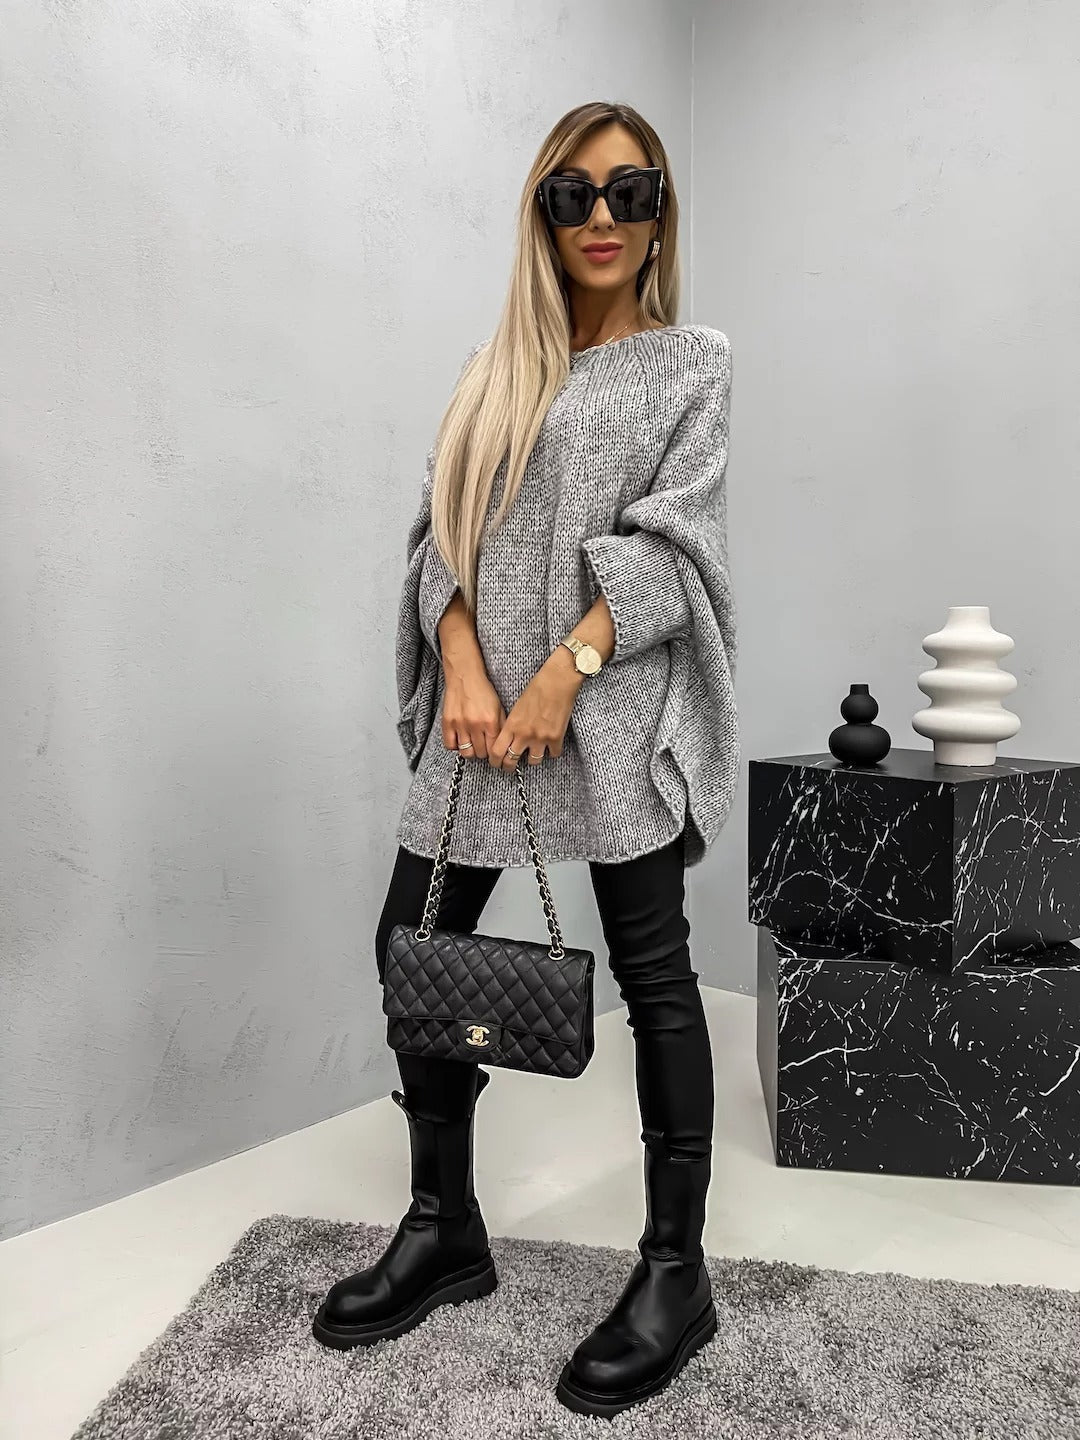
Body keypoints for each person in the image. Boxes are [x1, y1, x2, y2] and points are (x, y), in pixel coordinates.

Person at [312, 98, 738, 1420]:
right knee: (412, 946)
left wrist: (567, 671)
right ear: (541, 215)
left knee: (656, 978)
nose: (603, 217)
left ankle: (674, 1271)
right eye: (574, 194)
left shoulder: (692, 364)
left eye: (630, 191)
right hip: (481, 719)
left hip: (606, 711)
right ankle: (445, 1225)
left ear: (660, 213)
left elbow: (675, 548)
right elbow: (437, 534)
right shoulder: (493, 369)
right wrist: (464, 659)